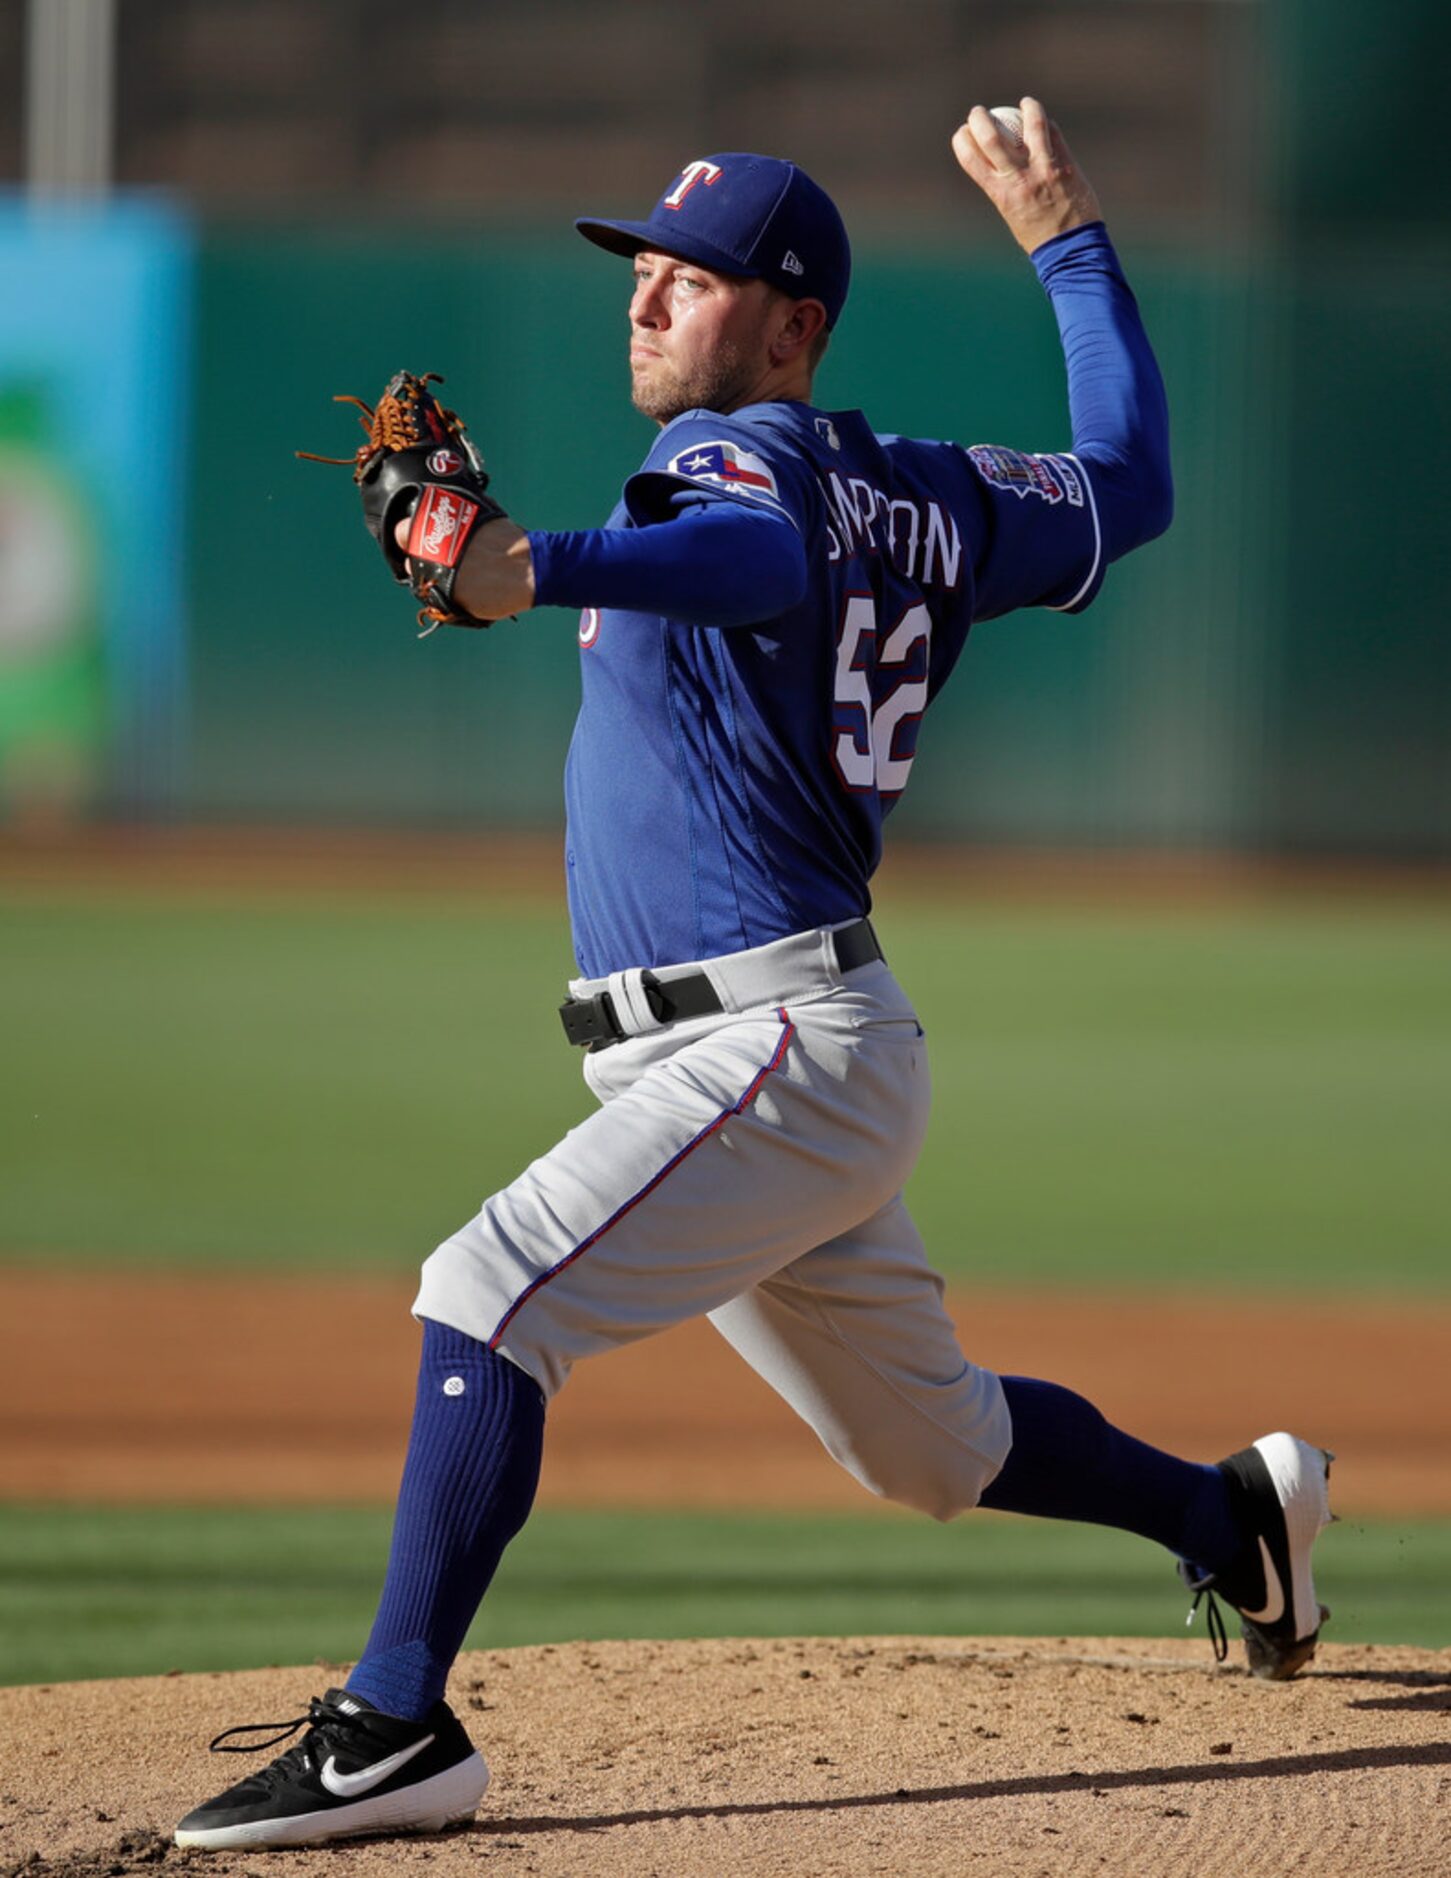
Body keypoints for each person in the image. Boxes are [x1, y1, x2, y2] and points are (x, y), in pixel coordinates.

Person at [175, 101, 1332, 1852]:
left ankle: (393, 1726)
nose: (645, 301)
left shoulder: (735, 466)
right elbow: (1135, 485)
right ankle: (1231, 1515)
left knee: (488, 1286)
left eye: (692, 279)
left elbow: (755, 549)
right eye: (638, 271)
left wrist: (532, 562)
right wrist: (1069, 242)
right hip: (787, 1050)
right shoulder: (935, 489)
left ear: (791, 325)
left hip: (770, 1041)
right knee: (926, 1451)